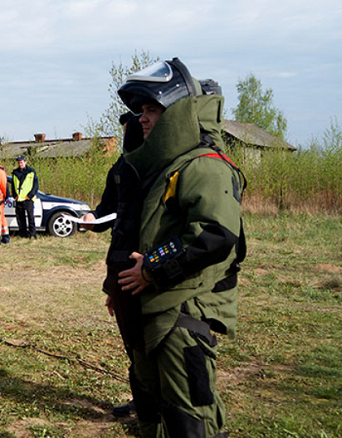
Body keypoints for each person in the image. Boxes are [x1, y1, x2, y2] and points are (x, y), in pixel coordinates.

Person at [105, 58, 245, 438]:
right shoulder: (163, 165)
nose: (143, 119)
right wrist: (118, 287)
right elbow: (136, 230)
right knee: (150, 408)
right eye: (142, 110)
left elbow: (215, 236)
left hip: (183, 308)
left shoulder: (205, 166)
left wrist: (151, 268)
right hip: (151, 307)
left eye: (153, 109)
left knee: (190, 417)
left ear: (178, 112)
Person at [80, 111, 144, 419]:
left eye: (127, 128)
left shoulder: (154, 165)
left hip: (145, 264)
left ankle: (152, 406)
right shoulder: (118, 167)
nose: (126, 134)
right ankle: (141, 401)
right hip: (119, 262)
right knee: (132, 341)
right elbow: (107, 211)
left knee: (147, 341)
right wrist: (92, 219)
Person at [11, 155, 39, 239]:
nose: (20, 164)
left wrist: (30, 196)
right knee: (20, 218)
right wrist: (14, 195)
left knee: (30, 217)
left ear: (25, 162)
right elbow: (13, 185)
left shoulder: (31, 172)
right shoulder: (15, 172)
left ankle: (32, 234)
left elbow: (35, 186)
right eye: (19, 162)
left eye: (21, 162)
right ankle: (23, 234)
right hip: (19, 198)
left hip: (28, 199)